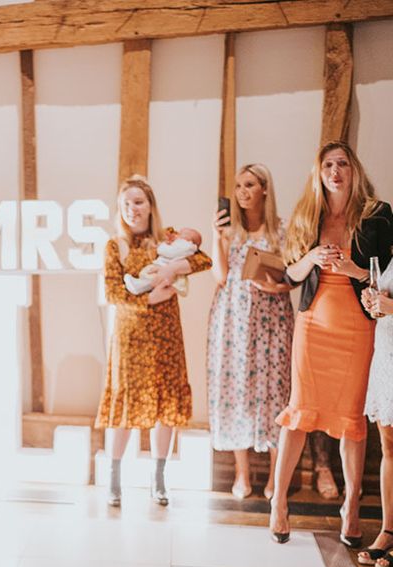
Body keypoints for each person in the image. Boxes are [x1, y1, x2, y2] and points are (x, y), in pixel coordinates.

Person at [269, 141, 393, 544]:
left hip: (358, 328)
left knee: (351, 420)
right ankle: (279, 503)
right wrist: (313, 258)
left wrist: (353, 267)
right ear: (318, 173)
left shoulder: (377, 215)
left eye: (342, 164)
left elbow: (383, 278)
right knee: (299, 412)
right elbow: (290, 274)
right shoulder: (308, 214)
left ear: (354, 171)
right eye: (328, 165)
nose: (335, 171)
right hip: (313, 326)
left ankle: (351, 507)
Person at [96, 174, 211, 507]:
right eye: (127, 203)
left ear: (150, 206)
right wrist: (150, 300)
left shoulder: (167, 239)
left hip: (165, 336)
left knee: (166, 406)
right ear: (120, 208)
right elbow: (114, 293)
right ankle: (115, 478)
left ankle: (159, 477)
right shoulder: (114, 245)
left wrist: (176, 266)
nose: (133, 209)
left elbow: (205, 260)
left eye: (139, 202)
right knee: (126, 408)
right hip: (131, 337)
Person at [206, 164, 294, 499]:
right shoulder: (233, 231)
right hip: (234, 318)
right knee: (236, 388)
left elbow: (291, 279)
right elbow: (220, 276)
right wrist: (216, 236)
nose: (243, 192)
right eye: (239, 185)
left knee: (275, 390)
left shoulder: (282, 231)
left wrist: (275, 286)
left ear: (265, 189)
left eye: (250, 185)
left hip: (272, 319)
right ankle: (241, 473)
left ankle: (275, 475)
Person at [358, 255, 393, 567]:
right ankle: (388, 530)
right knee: (388, 447)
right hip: (387, 353)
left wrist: (389, 306)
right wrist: (373, 300)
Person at [124, 227, 202, 296]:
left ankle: (137, 287)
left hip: (164, 267)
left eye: (182, 233)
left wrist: (162, 246)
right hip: (162, 266)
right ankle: (138, 284)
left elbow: (169, 252)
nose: (177, 234)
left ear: (189, 239)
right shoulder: (182, 244)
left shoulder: (187, 246)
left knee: (154, 279)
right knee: (150, 276)